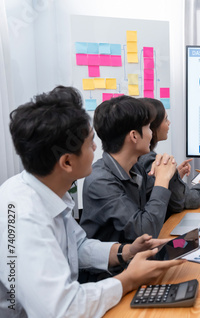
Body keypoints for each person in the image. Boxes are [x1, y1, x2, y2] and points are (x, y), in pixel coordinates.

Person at [0, 86, 184, 317]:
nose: (96, 148)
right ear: (67, 162)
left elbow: (78, 247)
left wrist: (126, 251)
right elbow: (63, 309)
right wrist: (128, 279)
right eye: (89, 144)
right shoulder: (23, 216)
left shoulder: (50, 191)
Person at [80, 96, 181, 245]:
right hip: (114, 267)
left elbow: (174, 204)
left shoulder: (135, 169)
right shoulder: (100, 181)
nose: (151, 133)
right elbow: (145, 231)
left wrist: (168, 171)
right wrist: (162, 180)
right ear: (134, 136)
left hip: (136, 258)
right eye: (148, 127)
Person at [137, 97, 200, 212]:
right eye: (165, 119)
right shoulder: (151, 160)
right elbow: (188, 201)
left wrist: (173, 176)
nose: (169, 123)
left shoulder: (143, 157)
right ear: (152, 127)